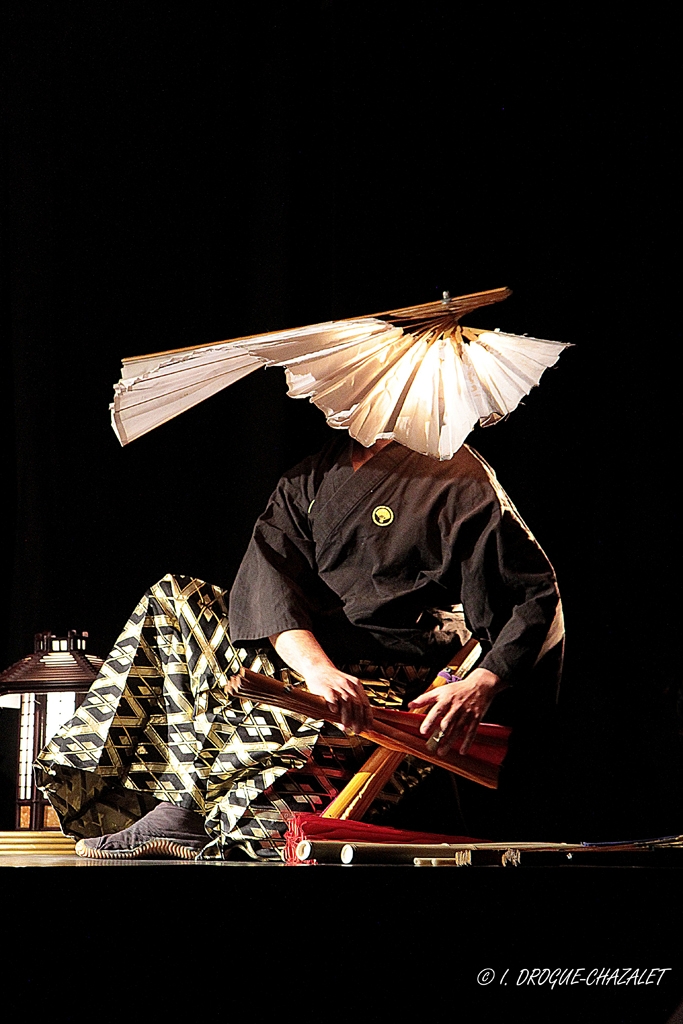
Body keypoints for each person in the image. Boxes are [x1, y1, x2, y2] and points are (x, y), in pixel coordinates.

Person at [35, 433, 563, 859]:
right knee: (174, 598)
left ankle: (193, 814)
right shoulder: (309, 476)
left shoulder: (460, 479)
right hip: (310, 659)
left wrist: (481, 682)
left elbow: (534, 593)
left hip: (392, 677)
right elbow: (268, 585)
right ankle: (160, 801)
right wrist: (316, 668)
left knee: (267, 832)